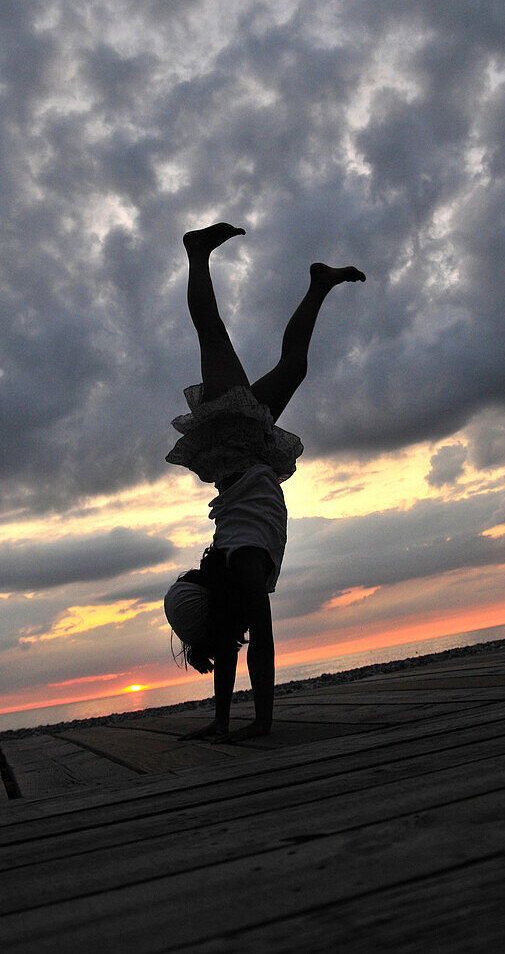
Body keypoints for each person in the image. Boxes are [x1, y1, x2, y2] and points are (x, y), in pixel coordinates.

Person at [164, 222, 365, 743]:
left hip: (232, 439)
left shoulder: (245, 564)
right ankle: (319, 284)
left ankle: (197, 252)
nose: (219, 639)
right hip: (246, 450)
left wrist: (264, 723)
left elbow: (264, 644)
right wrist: (223, 720)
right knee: (294, 366)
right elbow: (236, 644)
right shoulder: (232, 573)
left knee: (213, 333)